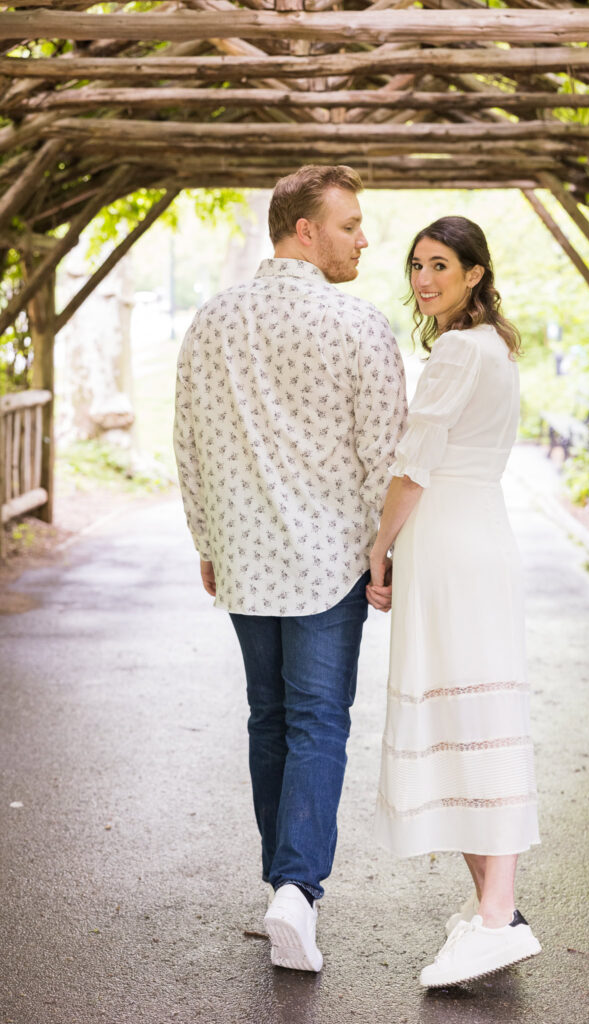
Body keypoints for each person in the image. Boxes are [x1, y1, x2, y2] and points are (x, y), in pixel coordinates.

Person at [173, 165, 407, 973]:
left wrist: (206, 540)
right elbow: (386, 456)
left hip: (243, 559)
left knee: (267, 719)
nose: (364, 240)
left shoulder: (210, 321)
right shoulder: (361, 326)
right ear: (304, 230)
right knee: (316, 722)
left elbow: (188, 446)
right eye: (349, 224)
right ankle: (295, 892)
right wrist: (388, 556)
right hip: (326, 564)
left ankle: (283, 885)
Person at [366, 216, 541, 987]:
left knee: (471, 723)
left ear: (475, 273)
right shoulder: (493, 348)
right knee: (467, 718)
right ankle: (492, 913)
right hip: (475, 539)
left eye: (440, 264)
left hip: (450, 545)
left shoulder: (458, 352)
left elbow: (414, 465)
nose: (423, 279)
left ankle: (498, 917)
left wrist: (378, 544)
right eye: (414, 266)